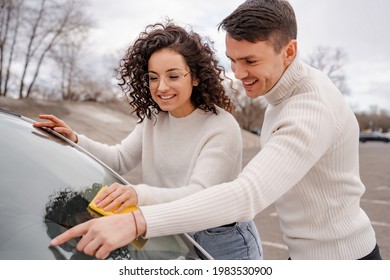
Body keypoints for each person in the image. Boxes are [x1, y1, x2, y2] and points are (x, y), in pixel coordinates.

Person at [49, 0, 381, 260]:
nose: (238, 73)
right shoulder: (280, 92)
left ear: (289, 51)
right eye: (232, 61)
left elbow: (246, 195)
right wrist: (74, 140)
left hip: (342, 259)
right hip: (304, 255)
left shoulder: (308, 108)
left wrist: (136, 217)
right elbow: (120, 156)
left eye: (249, 61)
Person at [34, 20, 263, 260]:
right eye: (154, 78)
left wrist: (138, 195)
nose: (161, 87)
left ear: (195, 77)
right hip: (167, 229)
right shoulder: (154, 118)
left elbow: (199, 196)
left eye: (173, 76)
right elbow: (119, 159)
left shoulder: (222, 127)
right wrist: (75, 140)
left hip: (221, 242)